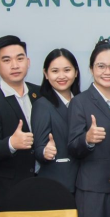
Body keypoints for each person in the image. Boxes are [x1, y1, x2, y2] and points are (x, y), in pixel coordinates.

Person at [68, 41, 110, 217]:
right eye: (101, 66)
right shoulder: (80, 102)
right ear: (91, 68)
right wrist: (87, 139)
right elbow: (73, 146)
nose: (107, 72)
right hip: (93, 191)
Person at [0, 35, 42, 217]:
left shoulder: (40, 93)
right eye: (7, 60)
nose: (15, 65)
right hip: (9, 193)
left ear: (28, 62)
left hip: (43, 187)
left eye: (19, 58)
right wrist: (11, 144)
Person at [31, 48, 81, 193]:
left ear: (76, 72)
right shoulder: (42, 105)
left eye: (67, 70)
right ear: (46, 74)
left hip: (85, 182)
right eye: (55, 71)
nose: (61, 76)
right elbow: (39, 148)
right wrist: (45, 152)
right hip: (57, 185)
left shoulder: (83, 101)